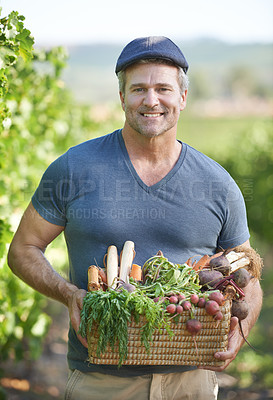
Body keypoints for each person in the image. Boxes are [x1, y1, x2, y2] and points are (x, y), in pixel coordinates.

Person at [8, 36, 262, 400]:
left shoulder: (217, 183)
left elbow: (247, 274)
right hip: (100, 380)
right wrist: (69, 294)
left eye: (163, 88)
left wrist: (241, 328)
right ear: (122, 97)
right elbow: (23, 249)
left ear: (183, 97)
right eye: (138, 89)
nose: (151, 100)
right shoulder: (74, 169)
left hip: (191, 382)